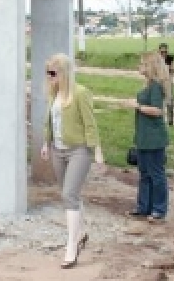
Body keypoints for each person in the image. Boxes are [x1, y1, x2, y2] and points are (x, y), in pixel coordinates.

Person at [40, 53, 104, 269]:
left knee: (69, 194)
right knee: (70, 196)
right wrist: (45, 143)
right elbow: (50, 121)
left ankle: (71, 245)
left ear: (64, 73)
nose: (49, 77)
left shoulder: (81, 93)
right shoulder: (53, 94)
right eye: (47, 72)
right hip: (58, 150)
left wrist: (97, 150)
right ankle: (81, 232)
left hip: (79, 150)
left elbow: (90, 123)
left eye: (53, 73)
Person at [129, 51, 170, 223]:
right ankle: (143, 207)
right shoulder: (147, 85)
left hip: (154, 138)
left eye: (142, 64)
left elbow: (157, 110)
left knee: (156, 174)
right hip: (144, 136)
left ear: (150, 66)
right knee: (144, 173)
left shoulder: (155, 86)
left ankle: (159, 209)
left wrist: (138, 107)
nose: (140, 66)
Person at [158, 43, 174, 125]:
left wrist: (167, 67)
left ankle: (170, 120)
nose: (163, 53)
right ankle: (159, 118)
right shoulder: (156, 59)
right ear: (159, 51)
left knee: (170, 101)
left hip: (168, 80)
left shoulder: (170, 58)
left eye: (165, 51)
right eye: (162, 52)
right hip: (158, 80)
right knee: (158, 100)